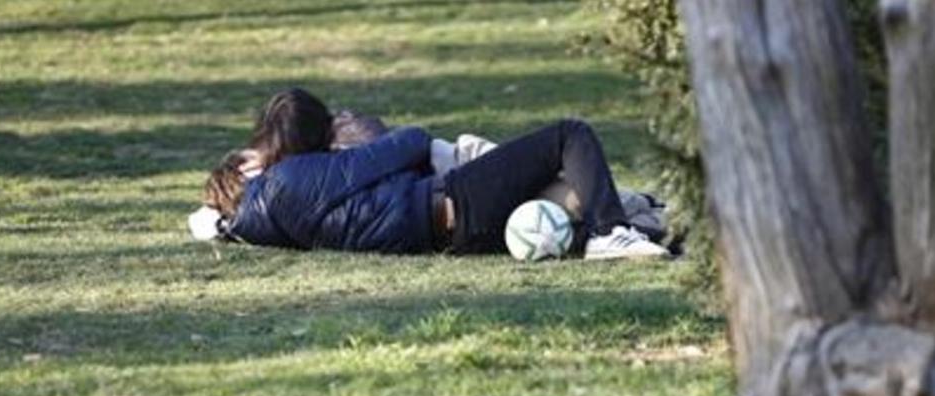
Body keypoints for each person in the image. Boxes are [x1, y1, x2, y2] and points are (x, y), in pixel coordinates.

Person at [191, 88, 670, 259]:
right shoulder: (292, 179)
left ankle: (647, 226)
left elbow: (216, 213)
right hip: (452, 199)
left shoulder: (255, 220)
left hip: (450, 231)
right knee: (569, 135)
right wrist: (347, 127)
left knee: (568, 198)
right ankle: (614, 232)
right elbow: (411, 141)